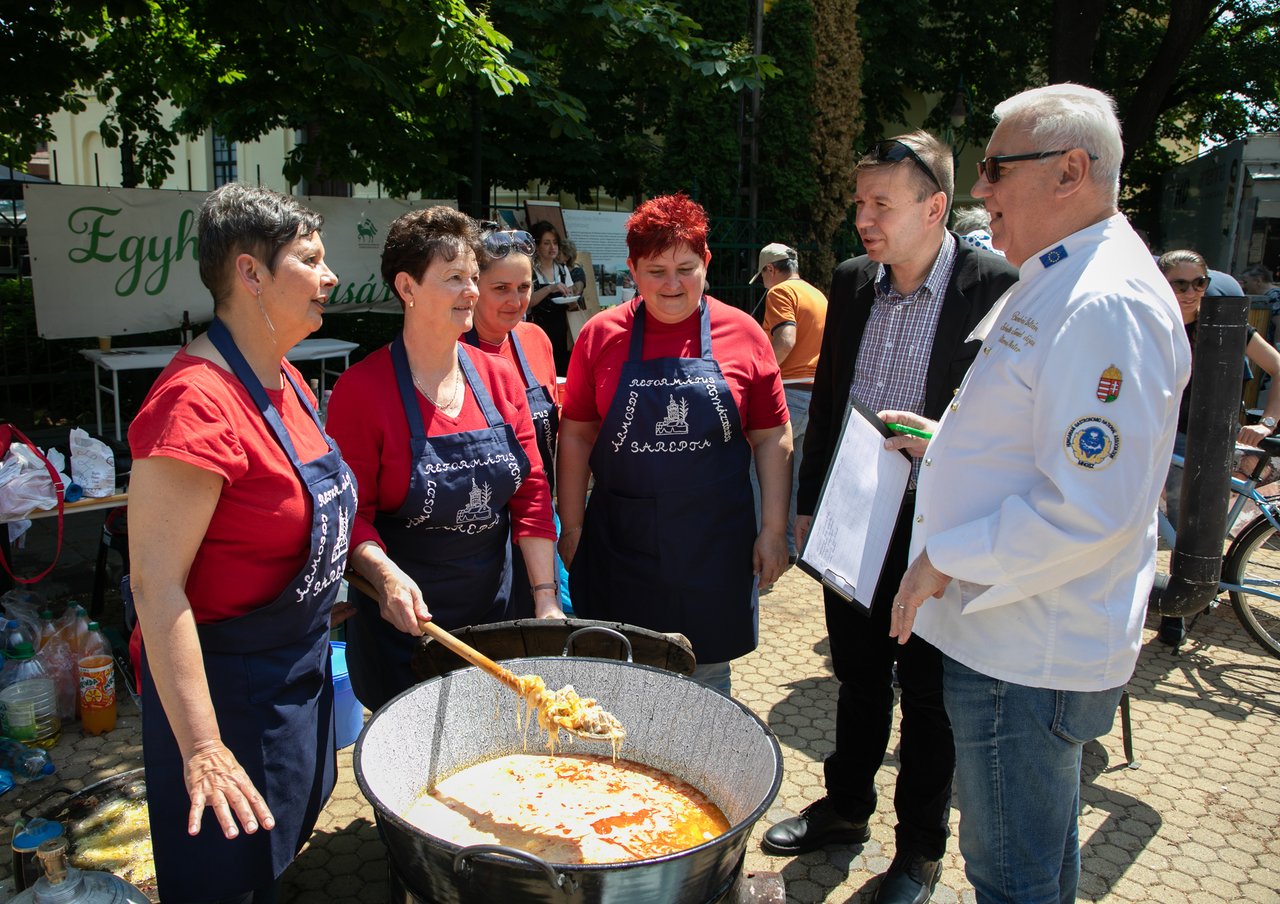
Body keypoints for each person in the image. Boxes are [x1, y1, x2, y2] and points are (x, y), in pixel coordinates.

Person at [886, 84, 1191, 904]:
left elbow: (1091, 507)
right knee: (1037, 865)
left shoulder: (1104, 300)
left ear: (1071, 172)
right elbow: (1035, 433)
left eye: (994, 168)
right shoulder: (1062, 274)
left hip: (1024, 649)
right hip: (1008, 639)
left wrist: (942, 559)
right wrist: (943, 443)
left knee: (1011, 877)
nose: (981, 188)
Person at [761, 131, 1018, 904]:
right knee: (858, 674)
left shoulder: (996, 285)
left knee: (931, 695)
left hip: (943, 530)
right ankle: (844, 809)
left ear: (935, 207)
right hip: (855, 513)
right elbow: (833, 397)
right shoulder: (851, 281)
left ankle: (919, 854)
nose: (863, 218)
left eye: (882, 204)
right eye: (859, 202)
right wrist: (807, 504)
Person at [126, 183, 354, 903]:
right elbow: (154, 588)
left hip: (295, 674)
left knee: (273, 863)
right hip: (226, 698)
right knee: (225, 883)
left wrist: (371, 577)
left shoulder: (285, 376)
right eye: (311, 260)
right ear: (251, 272)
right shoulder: (193, 403)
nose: (331, 277)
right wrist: (202, 748)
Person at [325, 208, 561, 715]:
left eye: (474, 277)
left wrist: (545, 599)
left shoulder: (498, 379)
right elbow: (352, 516)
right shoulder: (362, 391)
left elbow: (532, 492)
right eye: (455, 278)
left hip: (496, 620)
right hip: (405, 629)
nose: (472, 292)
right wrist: (384, 578)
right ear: (407, 286)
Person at [556, 193, 791, 696]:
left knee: (703, 681)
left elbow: (771, 436)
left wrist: (774, 531)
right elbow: (575, 433)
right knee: (617, 682)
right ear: (632, 271)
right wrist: (572, 526)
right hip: (621, 542)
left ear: (706, 262)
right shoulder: (601, 335)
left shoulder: (745, 334)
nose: (672, 284)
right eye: (655, 270)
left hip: (714, 546)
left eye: (686, 268)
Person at [1157, 248, 1280, 647]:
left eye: (1200, 283)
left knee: (1182, 524)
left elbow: (1277, 366)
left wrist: (1267, 423)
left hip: (1204, 437)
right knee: (1172, 524)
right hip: (1163, 434)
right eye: (1180, 283)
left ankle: (1178, 608)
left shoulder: (1224, 323)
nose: (1191, 291)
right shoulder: (1153, 322)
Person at [462, 226, 564, 617]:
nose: (515, 301)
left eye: (523, 287)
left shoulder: (536, 339)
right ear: (474, 288)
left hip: (538, 518)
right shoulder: (451, 350)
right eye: (500, 288)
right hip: (482, 530)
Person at [749, 242, 828, 563]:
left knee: (757, 470)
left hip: (789, 393)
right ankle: (791, 548)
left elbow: (785, 339)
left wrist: (758, 377)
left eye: (764, 276)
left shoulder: (780, 293)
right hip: (816, 397)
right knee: (793, 472)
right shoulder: (817, 295)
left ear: (770, 270)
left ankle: (756, 547)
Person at [528, 222, 576, 375]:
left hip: (562, 331)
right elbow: (528, 302)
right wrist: (550, 288)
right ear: (537, 246)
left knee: (562, 371)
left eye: (555, 243)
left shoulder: (562, 270)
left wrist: (571, 299)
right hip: (539, 329)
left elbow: (572, 302)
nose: (552, 247)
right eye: (546, 243)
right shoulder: (531, 271)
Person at [1240, 264, 1280, 340]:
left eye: (1245, 282)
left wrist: (1277, 349)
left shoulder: (1276, 296)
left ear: (1258, 281)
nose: (1243, 286)